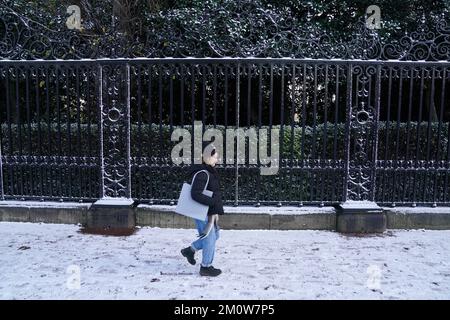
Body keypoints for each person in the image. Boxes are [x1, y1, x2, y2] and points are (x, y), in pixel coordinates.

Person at [180, 144, 224, 277]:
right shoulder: (202, 173)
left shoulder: (207, 171)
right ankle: (206, 267)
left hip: (209, 211)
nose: (217, 160)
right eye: (215, 157)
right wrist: (213, 202)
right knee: (209, 238)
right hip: (203, 212)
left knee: (215, 235)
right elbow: (196, 194)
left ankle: (190, 250)